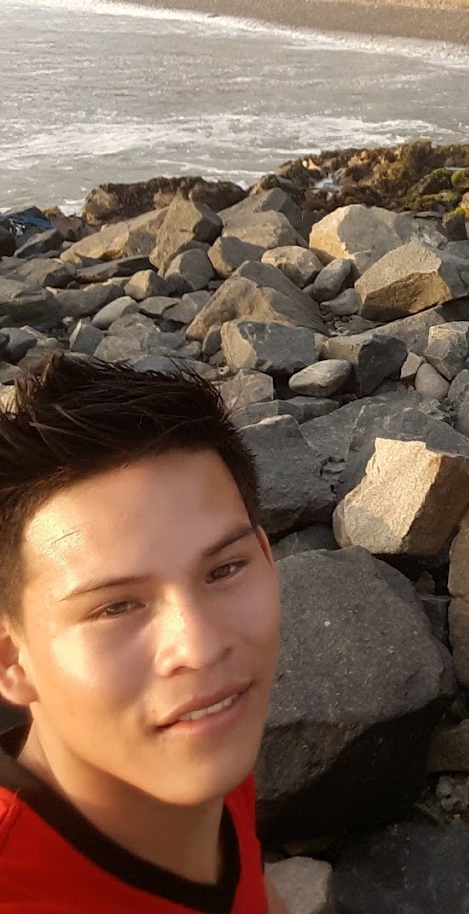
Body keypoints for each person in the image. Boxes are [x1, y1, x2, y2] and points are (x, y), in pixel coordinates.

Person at [0, 355, 286, 912]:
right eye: (116, 607)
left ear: (267, 557)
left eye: (224, 569)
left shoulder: (203, 735)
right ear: (12, 659)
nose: (200, 647)